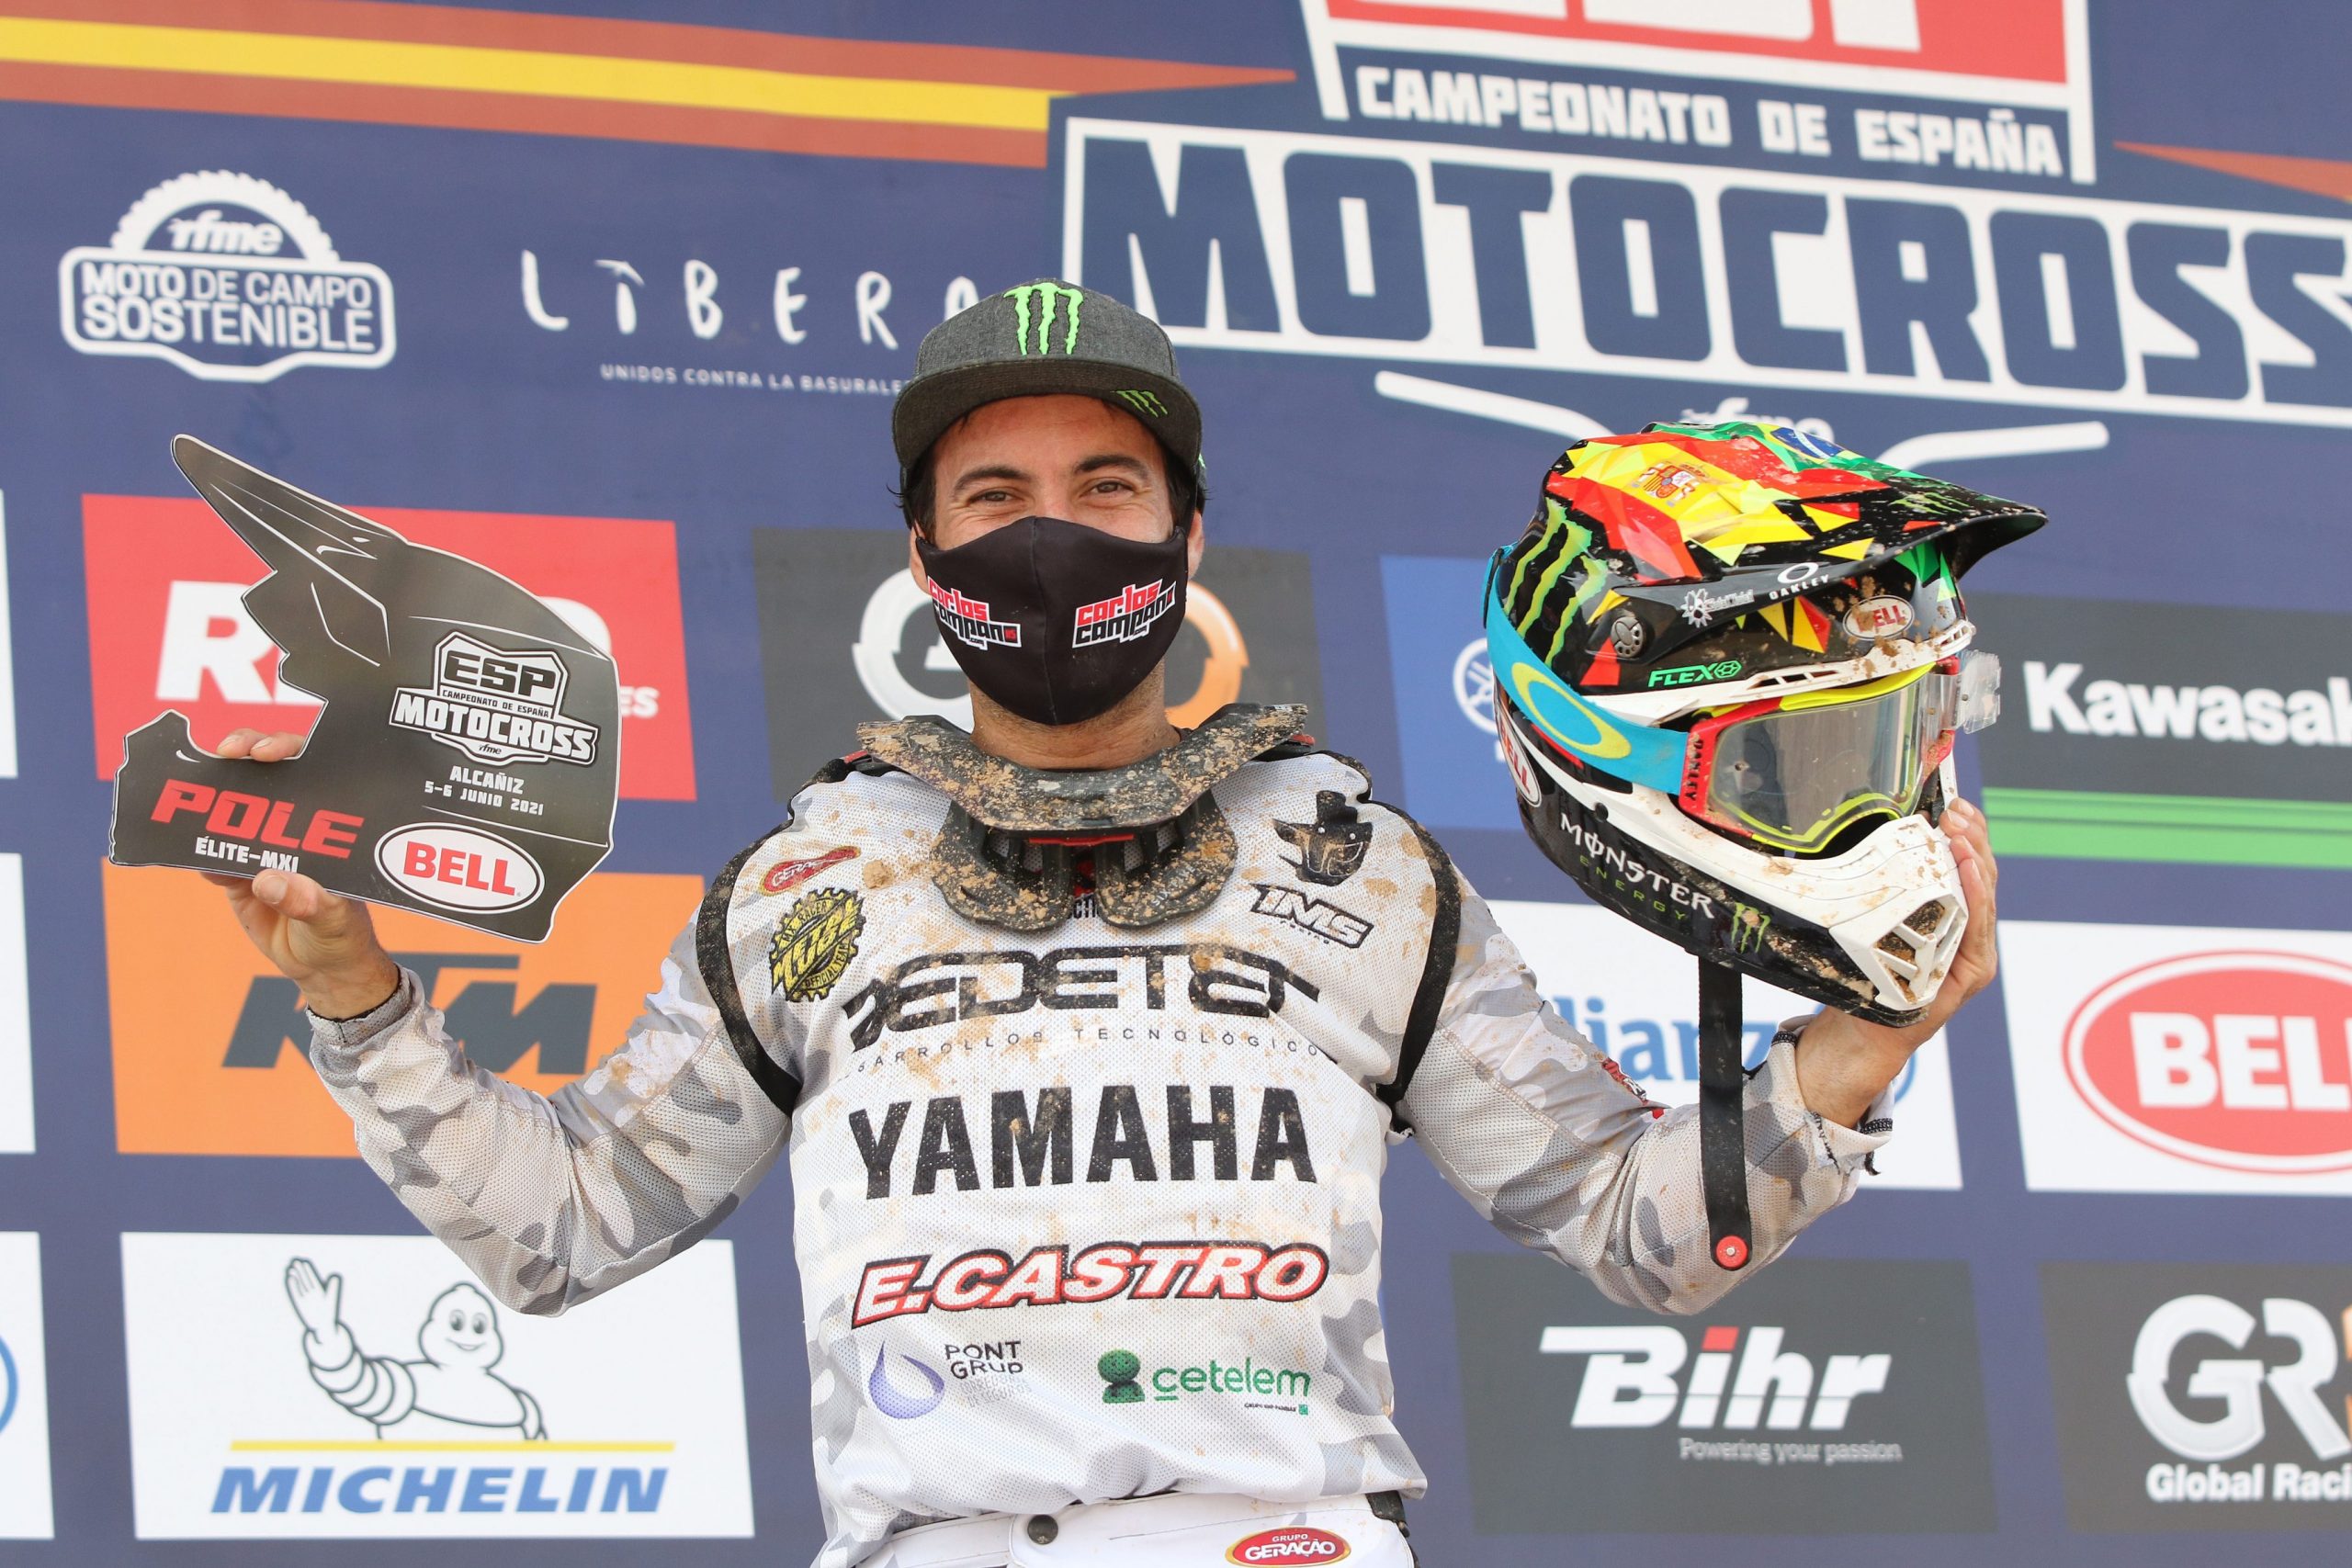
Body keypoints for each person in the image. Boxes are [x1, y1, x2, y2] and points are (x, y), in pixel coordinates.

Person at [203, 280, 2005, 1568]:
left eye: (1105, 491)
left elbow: (1643, 1234)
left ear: (1187, 539)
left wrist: (1860, 1049)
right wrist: (359, 999)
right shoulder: (808, 884)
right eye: (994, 500)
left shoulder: (1362, 869)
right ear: (924, 558)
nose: (1049, 536)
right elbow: (564, 1229)